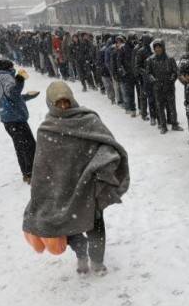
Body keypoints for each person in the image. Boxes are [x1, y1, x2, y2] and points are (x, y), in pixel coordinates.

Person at [23, 81, 129, 276]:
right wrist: (41, 193)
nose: (64, 106)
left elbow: (108, 144)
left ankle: (97, 260)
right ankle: (81, 254)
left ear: (72, 99)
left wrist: (100, 164)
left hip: (89, 186)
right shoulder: (47, 130)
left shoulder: (88, 120)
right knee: (69, 226)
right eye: (59, 103)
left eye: (66, 102)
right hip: (63, 189)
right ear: (50, 104)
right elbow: (41, 166)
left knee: (95, 224)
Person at [0, 58, 38, 184]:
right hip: (15, 119)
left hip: (10, 118)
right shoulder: (6, 78)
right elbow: (13, 93)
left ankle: (27, 173)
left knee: (22, 146)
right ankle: (30, 173)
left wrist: (27, 96)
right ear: (8, 67)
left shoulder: (2, 77)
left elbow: (11, 98)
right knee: (28, 146)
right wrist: (20, 79)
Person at [145, 39, 182, 134]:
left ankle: (174, 124)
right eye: (155, 48)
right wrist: (153, 80)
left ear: (163, 47)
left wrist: (172, 79)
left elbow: (176, 71)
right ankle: (163, 125)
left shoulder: (170, 59)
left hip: (169, 86)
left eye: (159, 47)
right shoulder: (150, 60)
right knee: (160, 107)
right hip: (158, 87)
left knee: (172, 106)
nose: (157, 49)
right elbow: (148, 73)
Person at [134, 34, 155, 124]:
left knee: (152, 97)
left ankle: (153, 114)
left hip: (152, 77)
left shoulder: (152, 50)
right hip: (144, 78)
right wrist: (145, 72)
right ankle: (144, 113)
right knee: (144, 97)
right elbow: (137, 66)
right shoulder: (140, 51)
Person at [115, 34, 137, 116]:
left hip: (135, 74)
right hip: (128, 75)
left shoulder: (136, 48)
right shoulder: (123, 49)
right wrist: (123, 72)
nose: (133, 41)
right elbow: (119, 62)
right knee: (130, 93)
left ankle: (141, 110)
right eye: (132, 39)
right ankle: (132, 109)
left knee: (139, 93)